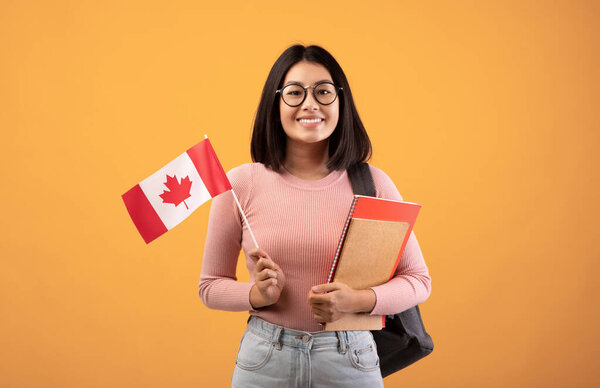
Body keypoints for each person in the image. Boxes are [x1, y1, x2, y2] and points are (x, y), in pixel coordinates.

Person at [199, 44, 431, 387]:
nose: (310, 103)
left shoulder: (372, 184)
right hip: (265, 359)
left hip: (351, 359)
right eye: (295, 92)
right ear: (275, 103)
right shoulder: (240, 184)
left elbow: (418, 280)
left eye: (323, 91)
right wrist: (256, 295)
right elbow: (210, 286)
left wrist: (357, 301)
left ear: (341, 102)